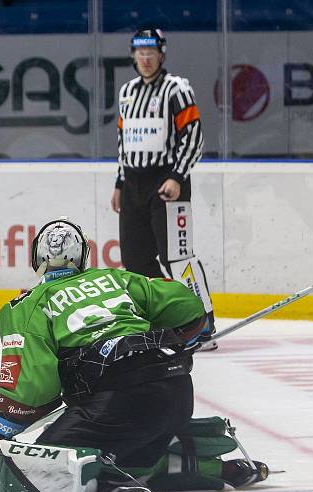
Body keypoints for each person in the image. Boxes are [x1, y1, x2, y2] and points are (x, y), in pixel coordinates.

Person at [0, 219, 268, 492]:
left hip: (119, 401)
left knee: (34, 462)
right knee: (123, 442)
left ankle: (110, 489)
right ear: (84, 256)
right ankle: (207, 467)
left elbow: (32, 390)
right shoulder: (116, 279)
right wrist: (176, 331)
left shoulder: (28, 304)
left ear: (36, 259)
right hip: (176, 391)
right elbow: (188, 307)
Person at [110, 28, 218, 351]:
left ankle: (203, 320)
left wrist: (176, 175)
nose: (145, 59)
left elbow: (194, 136)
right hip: (133, 184)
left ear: (161, 54)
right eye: (139, 53)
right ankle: (168, 315)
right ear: (133, 56)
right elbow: (123, 141)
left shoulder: (177, 90)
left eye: (151, 53)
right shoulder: (128, 92)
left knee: (177, 257)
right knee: (136, 259)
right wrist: (119, 182)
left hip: (167, 182)